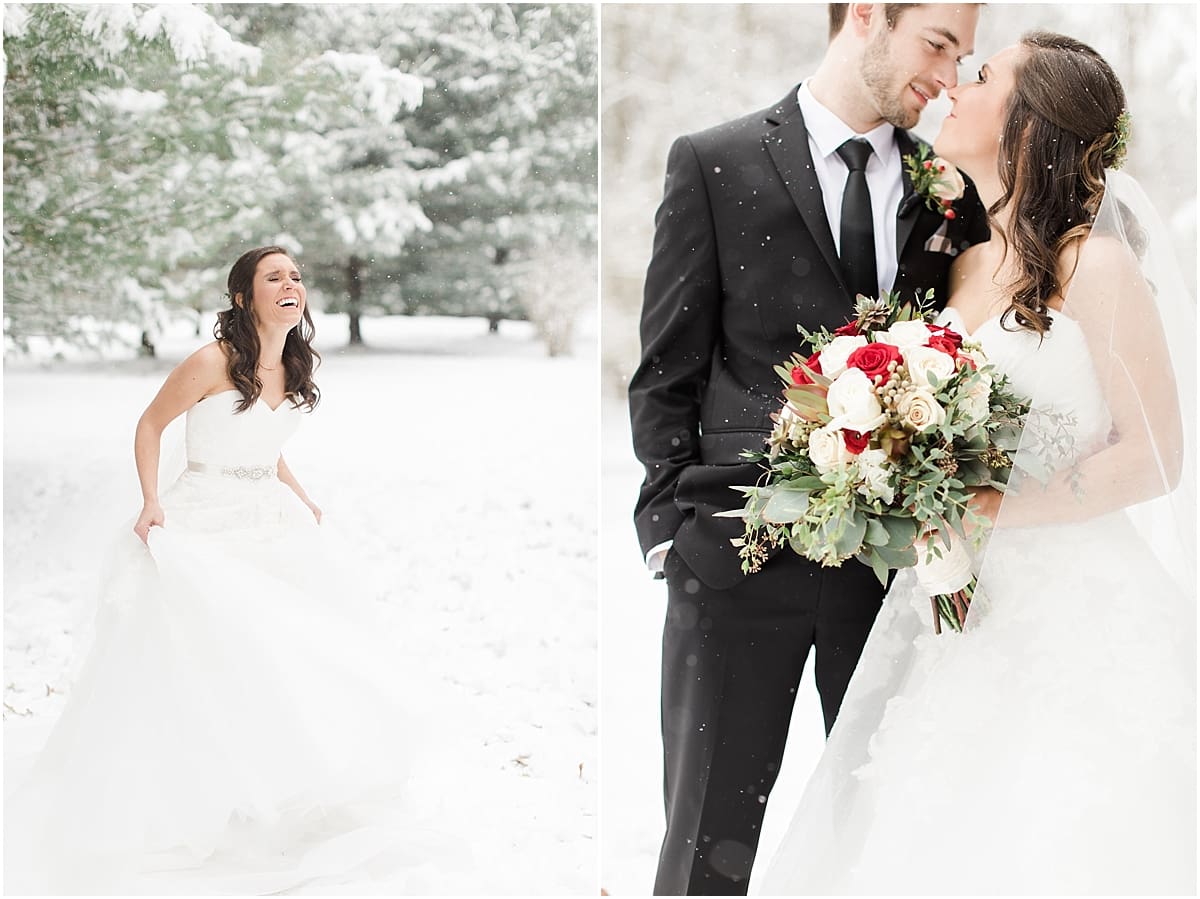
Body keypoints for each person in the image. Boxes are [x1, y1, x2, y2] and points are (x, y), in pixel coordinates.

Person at [759, 31, 1196, 894]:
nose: (957, 82)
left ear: (1031, 126)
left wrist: (988, 508)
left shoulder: (1096, 266)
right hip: (955, 614)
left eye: (985, 74)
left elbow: (1155, 458)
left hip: (1071, 616)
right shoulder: (960, 265)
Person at [627, 4, 988, 893]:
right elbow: (666, 364)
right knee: (707, 850)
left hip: (891, 572)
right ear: (866, 14)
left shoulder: (951, 189)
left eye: (963, 57)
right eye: (937, 44)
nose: (947, 76)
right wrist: (674, 524)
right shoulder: (715, 162)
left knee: (881, 841)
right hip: (735, 554)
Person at [4, 247, 422, 894]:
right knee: (202, 659)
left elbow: (259, 442)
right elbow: (150, 425)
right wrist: (151, 500)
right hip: (205, 523)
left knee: (283, 658)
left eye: (296, 276)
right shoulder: (211, 360)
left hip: (269, 521)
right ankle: (185, 799)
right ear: (242, 297)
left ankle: (267, 792)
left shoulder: (294, 364)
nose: (291, 284)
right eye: (274, 277)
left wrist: (300, 493)